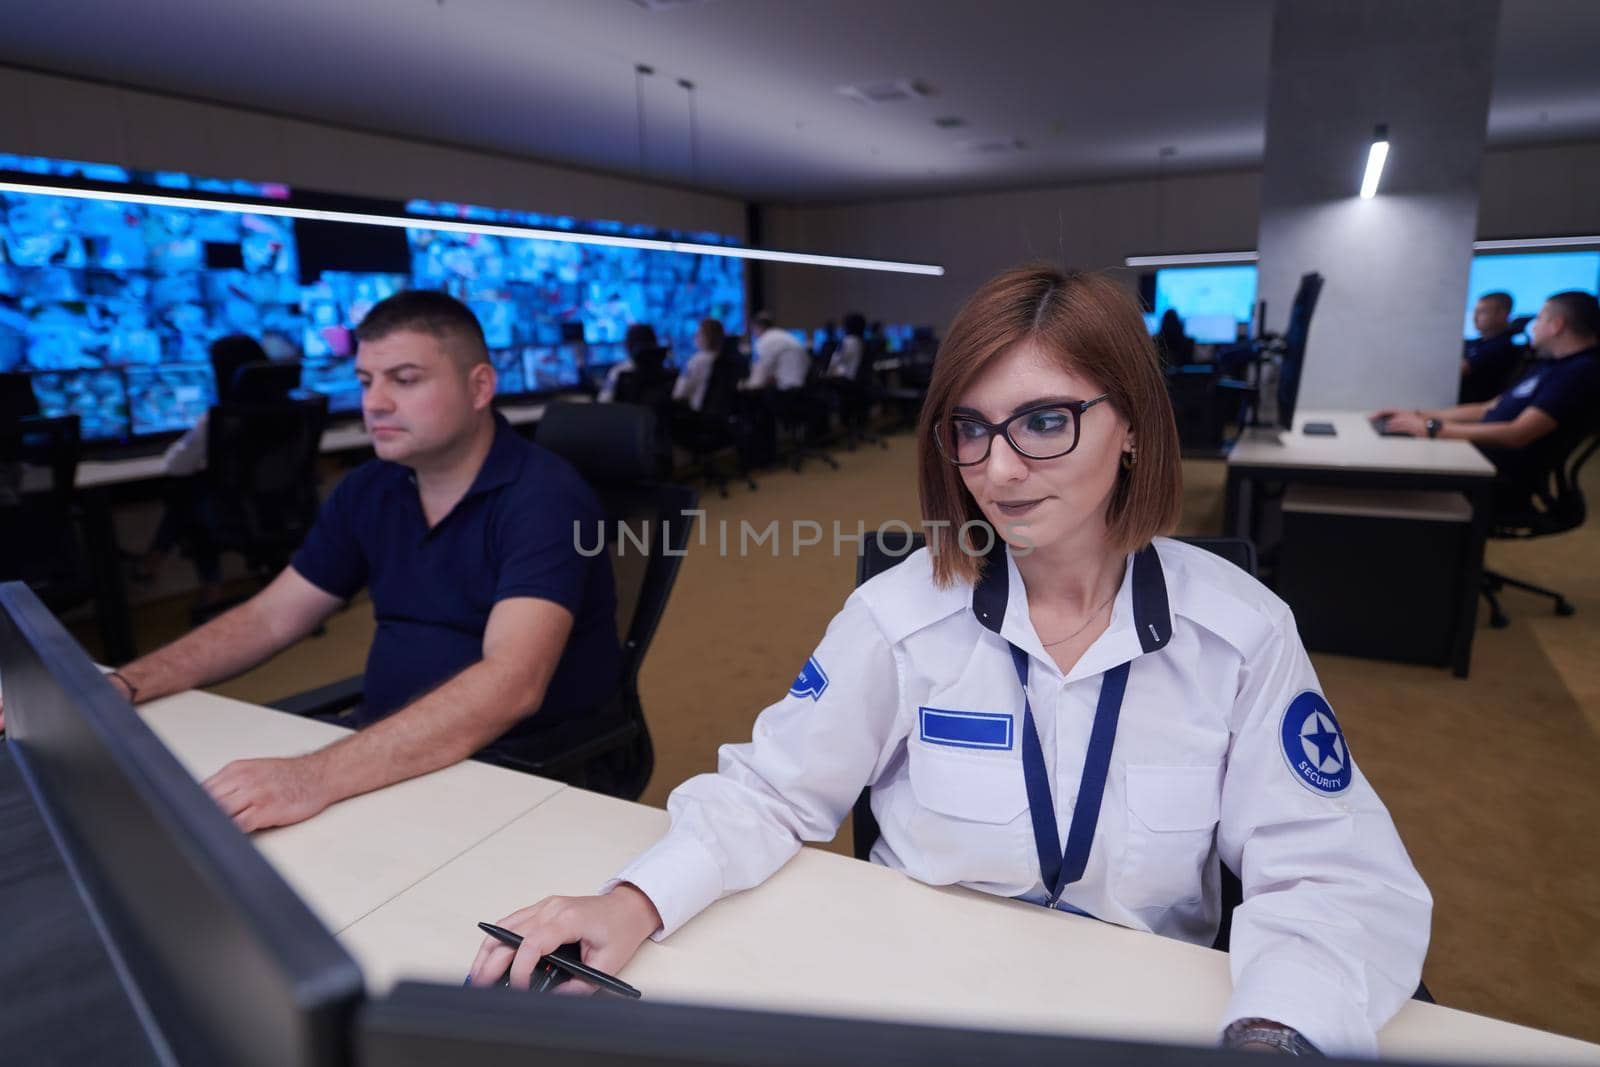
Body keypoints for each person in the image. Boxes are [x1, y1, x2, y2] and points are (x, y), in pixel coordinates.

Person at [467, 266, 1431, 1058]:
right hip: (914, 1007)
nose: (1000, 468)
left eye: (1045, 422)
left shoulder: (1239, 633)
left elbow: (1334, 877)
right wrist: (633, 897)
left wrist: (1276, 1033)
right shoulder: (898, 617)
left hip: (1138, 1018)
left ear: (1133, 424)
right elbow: (771, 791)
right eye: (970, 427)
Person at [0, 292, 623, 824]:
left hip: (519, 769)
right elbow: (272, 617)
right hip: (388, 751)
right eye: (364, 381)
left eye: (404, 380)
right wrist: (126, 683)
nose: (374, 403)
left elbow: (510, 686)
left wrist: (313, 778)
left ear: (479, 385)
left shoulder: (544, 497)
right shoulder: (372, 487)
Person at [1374, 291, 1600, 503]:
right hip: (1477, 454)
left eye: (1539, 320)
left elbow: (1517, 434)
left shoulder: (1579, 372)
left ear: (1556, 325)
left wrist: (1434, 429)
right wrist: (1418, 415)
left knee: (1388, 473)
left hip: (1497, 474)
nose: (1533, 328)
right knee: (1390, 454)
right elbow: (1487, 408)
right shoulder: (1549, 365)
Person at [1459, 291, 1523, 404]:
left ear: (1502, 315)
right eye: (1475, 312)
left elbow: (1458, 371)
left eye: (1482, 312)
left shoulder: (1501, 347)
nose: (1475, 317)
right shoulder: (1475, 343)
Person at [741, 312, 810, 391]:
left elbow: (759, 375)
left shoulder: (765, 340)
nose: (753, 334)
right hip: (802, 387)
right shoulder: (785, 336)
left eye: (753, 330)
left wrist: (746, 386)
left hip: (787, 390)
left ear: (758, 327)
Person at [599, 323, 665, 403]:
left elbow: (604, 401)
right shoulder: (666, 372)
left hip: (624, 415)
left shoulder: (619, 372)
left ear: (628, 345)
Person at [671, 318, 724, 412]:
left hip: (694, 413)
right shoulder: (723, 359)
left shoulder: (697, 361)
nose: (695, 336)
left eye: (699, 333)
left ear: (706, 337)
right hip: (718, 414)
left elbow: (680, 394)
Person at [825, 312, 867, 380]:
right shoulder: (862, 343)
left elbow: (833, 365)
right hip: (857, 382)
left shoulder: (847, 341)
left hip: (845, 382)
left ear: (847, 327)